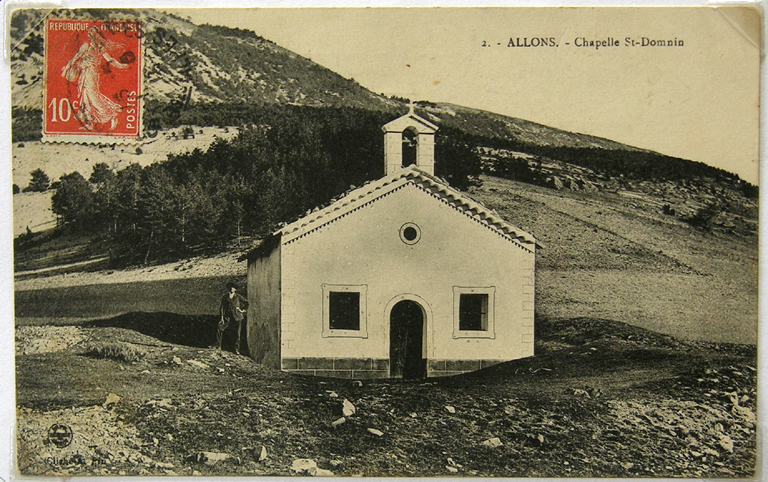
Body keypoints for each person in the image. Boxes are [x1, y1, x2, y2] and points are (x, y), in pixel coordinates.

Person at [61, 27, 131, 131]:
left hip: (91, 73)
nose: (91, 35)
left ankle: (111, 114)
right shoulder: (89, 46)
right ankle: (90, 122)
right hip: (85, 73)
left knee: (93, 97)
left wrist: (121, 66)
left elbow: (110, 60)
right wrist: (66, 69)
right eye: (90, 33)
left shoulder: (99, 47)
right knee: (85, 98)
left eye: (93, 33)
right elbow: (76, 58)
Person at [217, 282, 248, 354]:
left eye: (233, 287)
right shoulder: (225, 297)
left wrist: (242, 310)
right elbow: (222, 307)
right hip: (228, 317)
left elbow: (246, 303)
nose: (231, 288)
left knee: (237, 334)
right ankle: (218, 346)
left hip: (238, 317)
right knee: (220, 328)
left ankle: (236, 349)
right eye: (230, 287)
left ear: (235, 289)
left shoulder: (238, 296)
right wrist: (222, 317)